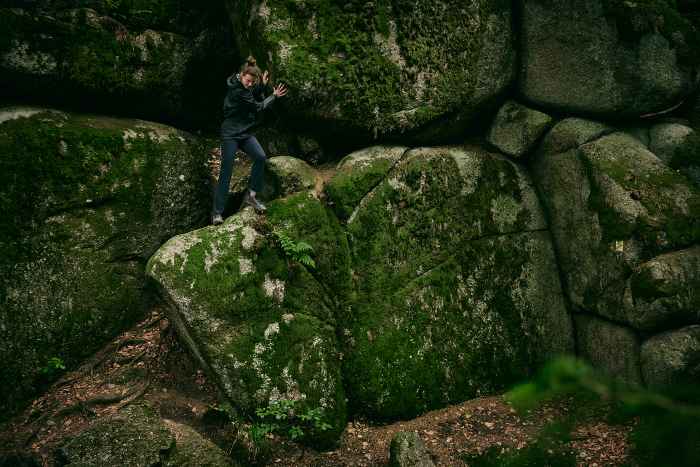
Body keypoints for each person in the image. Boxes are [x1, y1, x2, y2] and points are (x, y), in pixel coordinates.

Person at [211, 56, 288, 225]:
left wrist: (262, 85)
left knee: (260, 157)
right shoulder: (238, 90)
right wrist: (273, 95)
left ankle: (251, 196)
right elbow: (258, 106)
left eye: (253, 82)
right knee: (227, 171)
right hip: (230, 133)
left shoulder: (242, 84)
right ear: (241, 74)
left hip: (244, 132)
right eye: (248, 81)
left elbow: (252, 92)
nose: (250, 84)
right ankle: (217, 213)